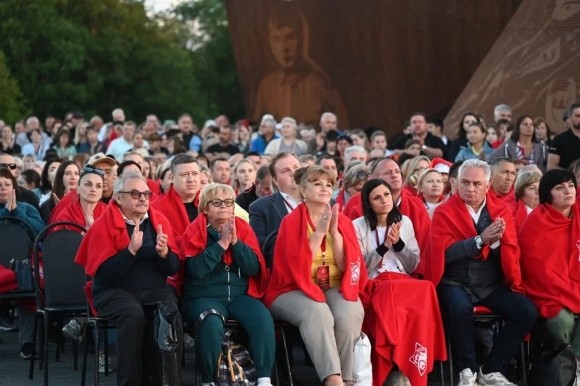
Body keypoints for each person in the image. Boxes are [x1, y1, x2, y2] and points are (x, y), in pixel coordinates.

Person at [426, 159, 537, 386]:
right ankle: (466, 370)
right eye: (465, 183)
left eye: (477, 184)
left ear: (487, 186)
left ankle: (491, 369)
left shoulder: (501, 210)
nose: (470, 188)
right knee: (459, 308)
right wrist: (480, 240)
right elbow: (443, 254)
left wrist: (497, 244)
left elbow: (511, 252)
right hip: (454, 282)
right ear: (456, 184)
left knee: (526, 310)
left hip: (488, 284)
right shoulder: (443, 211)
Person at [74, 171, 182, 386]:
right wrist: (130, 251)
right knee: (133, 315)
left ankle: (164, 381)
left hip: (153, 289)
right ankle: (129, 382)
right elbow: (104, 275)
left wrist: (164, 254)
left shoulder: (158, 221)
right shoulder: (102, 225)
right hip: (113, 291)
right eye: (135, 194)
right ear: (118, 197)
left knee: (169, 311)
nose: (143, 198)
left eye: (146, 194)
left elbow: (173, 268)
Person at [263, 166, 366, 386]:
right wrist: (319, 232)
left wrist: (335, 234)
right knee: (317, 312)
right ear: (302, 189)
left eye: (328, 184)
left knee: (349, 312)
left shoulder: (343, 221)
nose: (324, 188)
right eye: (317, 183)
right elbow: (295, 267)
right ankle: (333, 380)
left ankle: (347, 379)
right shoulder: (290, 222)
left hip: (331, 284)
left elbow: (346, 266)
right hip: (292, 288)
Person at [179, 183, 274, 386]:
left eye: (228, 202)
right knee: (210, 320)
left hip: (239, 296)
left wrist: (236, 244)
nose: (224, 206)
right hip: (203, 297)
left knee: (262, 316)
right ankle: (208, 380)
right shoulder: (194, 230)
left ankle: (264, 379)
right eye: (217, 202)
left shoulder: (243, 228)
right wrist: (221, 245)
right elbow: (196, 271)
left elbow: (254, 269)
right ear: (205, 208)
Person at [353, 179, 446, 386]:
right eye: (377, 197)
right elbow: (361, 268)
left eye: (387, 195)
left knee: (427, 288)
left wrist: (399, 243)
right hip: (375, 282)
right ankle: (393, 363)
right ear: (368, 203)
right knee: (390, 293)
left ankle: (409, 364)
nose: (384, 200)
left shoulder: (405, 222)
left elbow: (413, 265)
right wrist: (384, 246)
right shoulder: (357, 226)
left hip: (402, 279)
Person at [519, 169, 580, 383]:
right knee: (561, 321)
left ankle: (574, 367)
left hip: (575, 289)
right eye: (559, 187)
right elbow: (538, 273)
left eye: (571, 185)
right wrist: (570, 294)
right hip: (549, 294)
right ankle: (569, 370)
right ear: (548, 194)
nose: (567, 191)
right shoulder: (535, 224)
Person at [253, 5, 349, 128]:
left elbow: (343, 127)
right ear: (270, 43)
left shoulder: (320, 83)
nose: (284, 48)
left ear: (302, 39)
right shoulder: (266, 87)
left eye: (290, 37)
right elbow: (258, 129)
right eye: (276, 39)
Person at [0, 166, 45, 358]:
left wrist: (17, 212)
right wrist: (4, 215)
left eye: (6, 184)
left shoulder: (28, 209)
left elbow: (40, 234)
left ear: (14, 188)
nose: (2, 188)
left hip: (23, 265)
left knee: (30, 285)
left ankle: (27, 342)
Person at [249, 152, 302, 245]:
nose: (293, 173)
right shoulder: (260, 207)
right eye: (286, 170)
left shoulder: (322, 200)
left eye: (296, 167)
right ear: (274, 180)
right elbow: (260, 245)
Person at [53, 165, 107, 229]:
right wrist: (87, 229)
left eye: (98, 186)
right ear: (78, 189)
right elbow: (59, 238)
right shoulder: (66, 214)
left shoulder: (109, 213)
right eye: (88, 184)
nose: (93, 189)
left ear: (101, 192)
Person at [548, 102, 580, 170]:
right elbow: (551, 166)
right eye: (578, 116)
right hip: (567, 179)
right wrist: (571, 174)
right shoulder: (559, 139)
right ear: (570, 118)